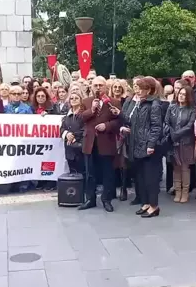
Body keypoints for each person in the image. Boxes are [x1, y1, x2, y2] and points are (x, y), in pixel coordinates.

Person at [121, 77, 162, 218]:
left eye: (140, 88)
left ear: (148, 90)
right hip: (136, 145)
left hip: (147, 147)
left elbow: (156, 127)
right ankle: (145, 203)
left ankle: (154, 206)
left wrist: (151, 144)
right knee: (140, 178)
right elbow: (132, 122)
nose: (137, 91)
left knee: (150, 178)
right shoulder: (139, 103)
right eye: (136, 88)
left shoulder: (154, 104)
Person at [80, 76, 121, 212]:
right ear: (92, 87)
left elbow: (119, 121)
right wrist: (91, 110)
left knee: (107, 173)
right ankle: (90, 199)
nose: (98, 88)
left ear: (105, 87)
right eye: (95, 85)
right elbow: (81, 118)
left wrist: (107, 125)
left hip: (106, 142)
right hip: (90, 143)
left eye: (100, 85)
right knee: (90, 173)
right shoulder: (86, 101)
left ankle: (106, 199)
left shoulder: (114, 102)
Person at [166, 86, 196, 203]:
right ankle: (177, 191)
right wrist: (172, 133)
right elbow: (166, 122)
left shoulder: (192, 109)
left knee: (185, 168)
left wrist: (177, 133)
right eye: (179, 93)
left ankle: (185, 192)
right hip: (173, 142)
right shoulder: (172, 107)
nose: (181, 96)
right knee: (176, 168)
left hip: (186, 142)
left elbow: (190, 125)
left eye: (184, 94)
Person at [61, 92, 86, 174]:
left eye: (76, 98)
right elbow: (62, 128)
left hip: (80, 147)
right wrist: (67, 134)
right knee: (72, 172)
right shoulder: (66, 115)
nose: (74, 100)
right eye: (72, 98)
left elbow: (85, 129)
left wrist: (73, 137)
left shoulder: (84, 114)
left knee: (82, 172)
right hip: (69, 149)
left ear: (81, 100)